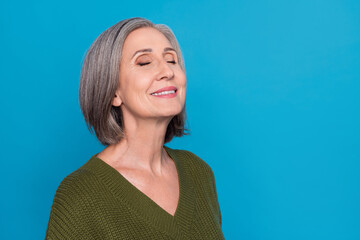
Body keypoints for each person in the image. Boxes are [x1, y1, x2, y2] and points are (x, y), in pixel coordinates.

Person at [46, 17, 224, 239]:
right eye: (144, 62)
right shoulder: (80, 194)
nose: (167, 71)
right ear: (113, 92)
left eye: (171, 59)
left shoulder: (199, 173)